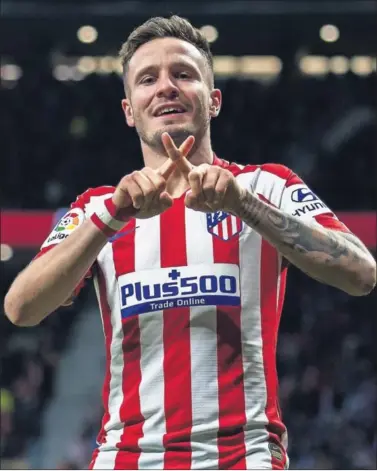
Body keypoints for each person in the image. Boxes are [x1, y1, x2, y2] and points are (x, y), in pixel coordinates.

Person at [4, 15, 376, 470]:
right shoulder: (96, 208)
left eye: (183, 74)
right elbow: (22, 308)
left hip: (245, 459)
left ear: (213, 100)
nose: (166, 87)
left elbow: (361, 273)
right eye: (147, 79)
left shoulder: (268, 186)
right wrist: (111, 218)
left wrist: (245, 206)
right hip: (127, 459)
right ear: (128, 109)